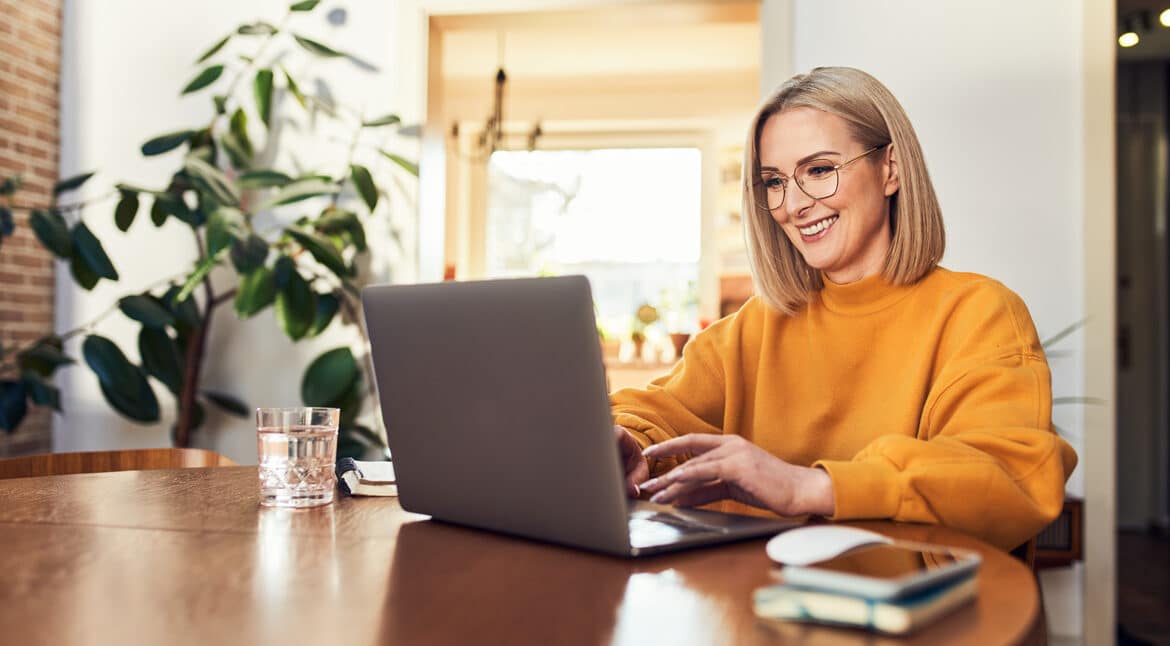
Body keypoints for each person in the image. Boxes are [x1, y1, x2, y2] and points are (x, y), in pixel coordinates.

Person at [611, 66, 1077, 551]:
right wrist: (628, 441)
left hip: (911, 616)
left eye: (818, 170)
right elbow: (653, 410)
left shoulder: (979, 314)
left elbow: (1011, 476)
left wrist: (809, 486)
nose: (793, 204)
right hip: (762, 609)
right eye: (774, 182)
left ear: (890, 169)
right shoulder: (754, 327)